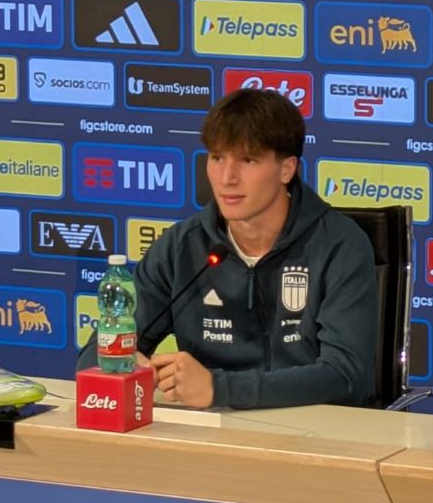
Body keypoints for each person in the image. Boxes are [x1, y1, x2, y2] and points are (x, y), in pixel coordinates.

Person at [78, 89, 377, 410]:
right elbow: (92, 356)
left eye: (248, 160)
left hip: (317, 436)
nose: (227, 178)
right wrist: (127, 365)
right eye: (218, 158)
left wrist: (219, 389)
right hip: (211, 438)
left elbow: (346, 377)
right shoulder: (183, 246)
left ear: (286, 169)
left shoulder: (339, 244)